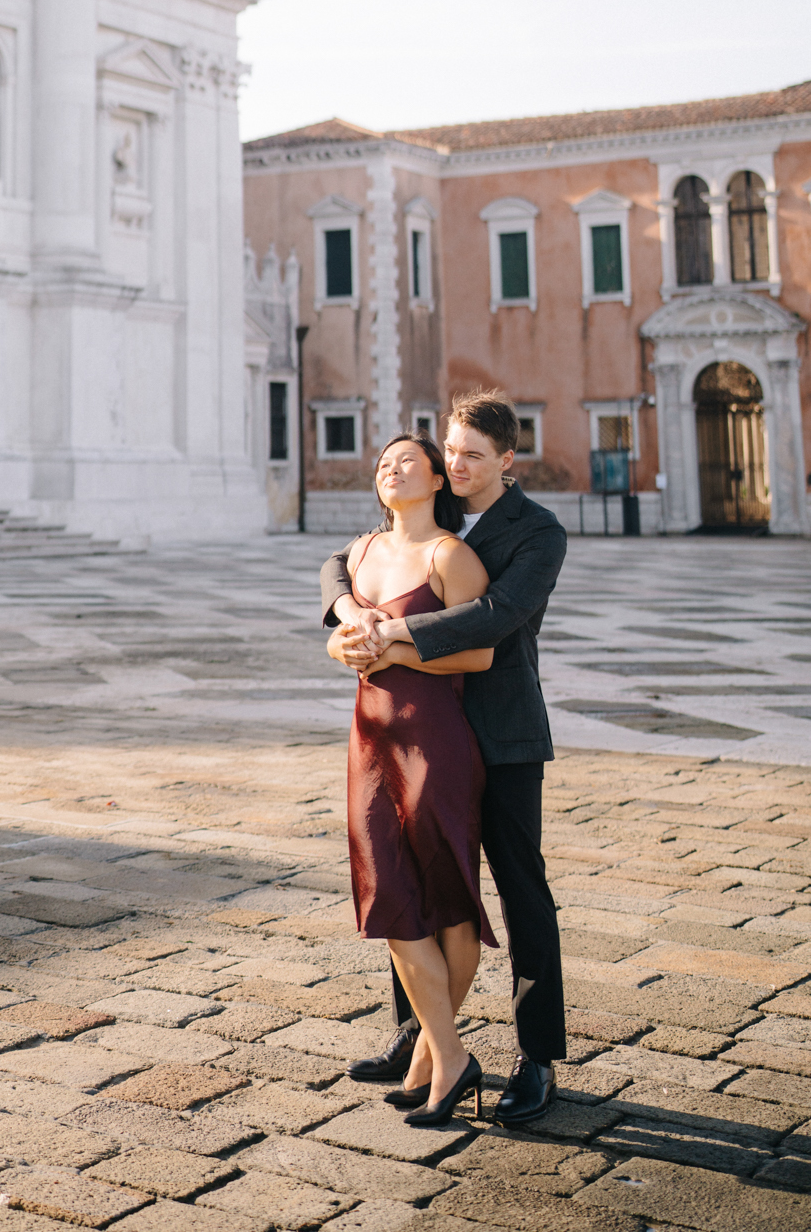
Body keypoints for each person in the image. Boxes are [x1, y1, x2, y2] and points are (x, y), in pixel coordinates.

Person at [323, 389, 568, 1126]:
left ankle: (537, 1057)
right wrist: (346, 619)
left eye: (473, 457)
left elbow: (495, 619)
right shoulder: (436, 510)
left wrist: (387, 640)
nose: (457, 465)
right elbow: (342, 563)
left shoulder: (537, 532)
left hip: (503, 732)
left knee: (522, 891)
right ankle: (421, 1037)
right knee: (417, 880)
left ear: (507, 462)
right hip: (421, 730)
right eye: (451, 451)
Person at [329, 434, 496, 1126]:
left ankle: (439, 1057)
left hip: (436, 744)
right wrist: (346, 640)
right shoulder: (362, 553)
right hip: (370, 741)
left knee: (447, 895)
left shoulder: (450, 556)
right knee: (390, 895)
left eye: (405, 461)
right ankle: (443, 1050)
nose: (389, 469)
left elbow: (480, 654)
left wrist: (393, 642)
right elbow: (336, 632)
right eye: (382, 463)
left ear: (435, 480)